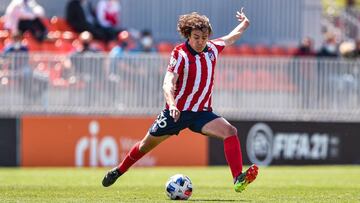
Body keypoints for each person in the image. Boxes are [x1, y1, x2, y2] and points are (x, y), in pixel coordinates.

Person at [101, 8, 259, 193]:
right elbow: (168, 83)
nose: (201, 41)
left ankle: (237, 179)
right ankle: (118, 171)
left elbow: (232, 36)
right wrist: (173, 105)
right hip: (176, 113)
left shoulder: (213, 48)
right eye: (196, 37)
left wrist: (245, 23)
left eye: (204, 37)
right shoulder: (180, 53)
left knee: (230, 131)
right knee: (145, 145)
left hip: (202, 113)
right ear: (188, 35)